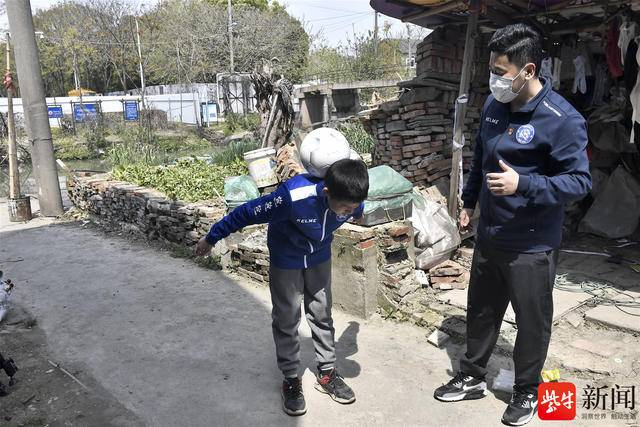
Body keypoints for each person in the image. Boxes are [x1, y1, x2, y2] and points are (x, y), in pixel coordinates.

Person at [433, 23, 591, 426]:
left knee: (531, 322)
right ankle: (471, 376)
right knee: (481, 311)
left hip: (531, 245)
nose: (493, 79)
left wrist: (525, 184)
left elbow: (579, 182)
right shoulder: (494, 105)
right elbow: (481, 158)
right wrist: (469, 202)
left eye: (500, 72)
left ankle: (527, 391)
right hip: (491, 235)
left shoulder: (562, 119)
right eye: (491, 70)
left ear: (528, 70)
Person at [196, 158, 369, 417]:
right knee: (287, 318)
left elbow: (355, 207)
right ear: (326, 192)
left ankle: (326, 373)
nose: (348, 212)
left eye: (352, 208)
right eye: (345, 208)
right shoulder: (291, 197)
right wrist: (211, 237)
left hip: (319, 257)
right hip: (287, 258)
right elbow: (245, 213)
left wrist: (356, 211)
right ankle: (290, 378)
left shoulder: (351, 199)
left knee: (322, 314)